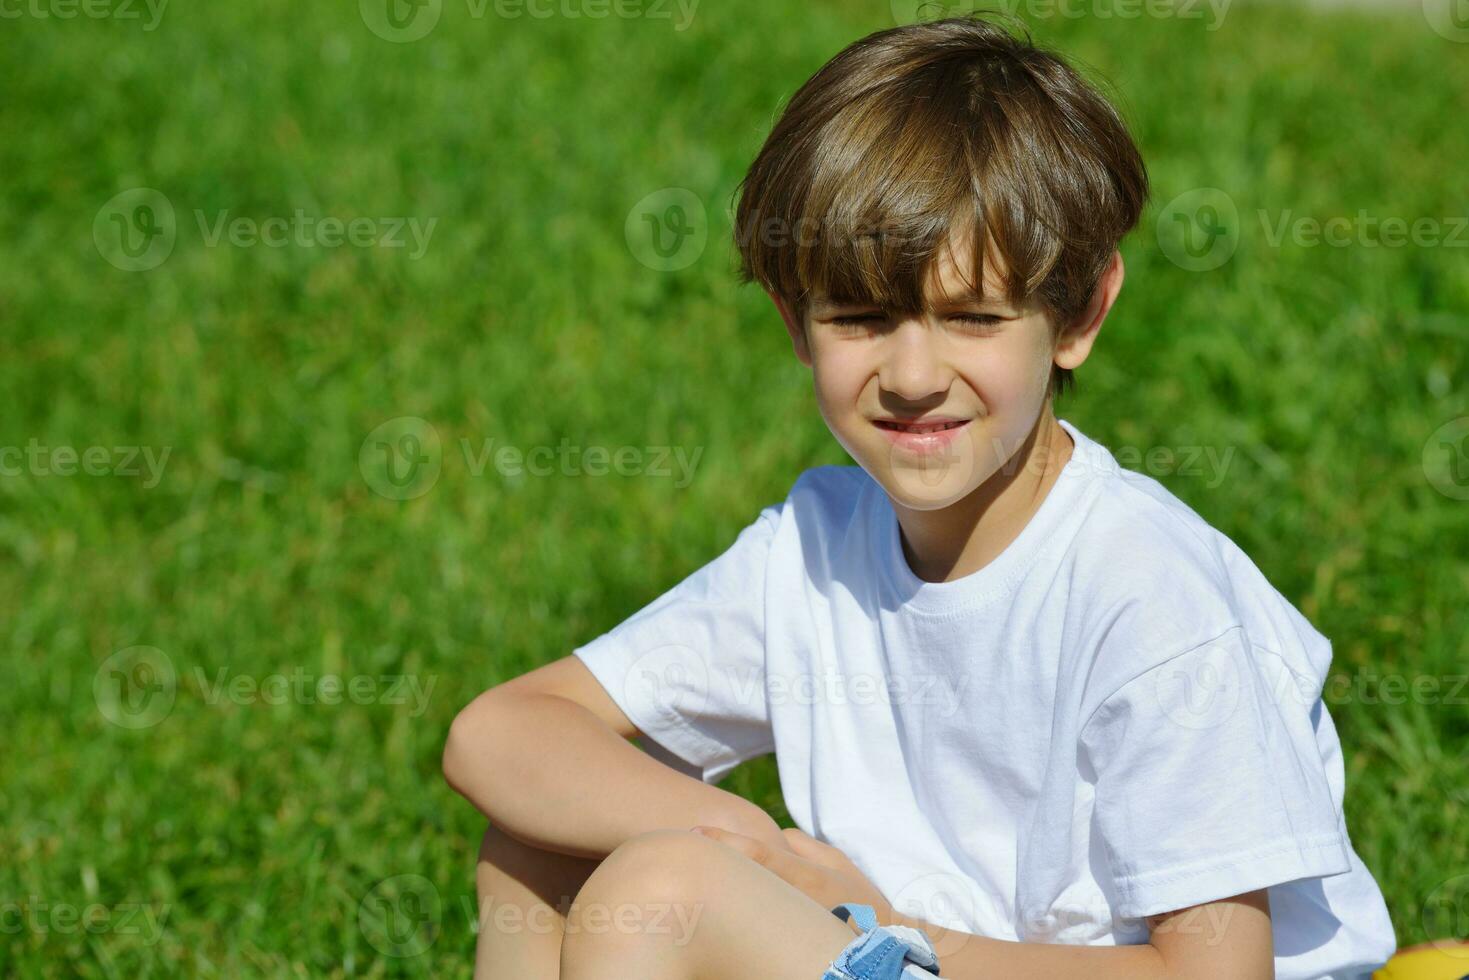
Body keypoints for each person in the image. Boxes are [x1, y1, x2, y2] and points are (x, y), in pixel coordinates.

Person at [442, 13, 1398, 979]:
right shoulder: (814, 552)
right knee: (546, 841)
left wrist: (892, 932)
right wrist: (752, 841)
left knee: (660, 894)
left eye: (972, 318)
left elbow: (1214, 976)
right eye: (859, 318)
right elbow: (503, 734)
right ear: (794, 321)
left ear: (1077, 315)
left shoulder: (1146, 593)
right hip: (896, 951)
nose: (910, 374)